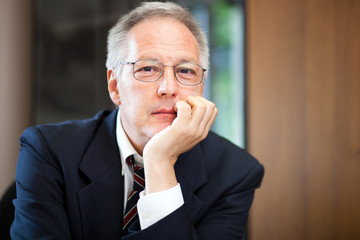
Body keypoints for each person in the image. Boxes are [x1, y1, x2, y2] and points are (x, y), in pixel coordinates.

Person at [11, 2, 264, 239]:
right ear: (115, 87)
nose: (168, 88)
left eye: (185, 71)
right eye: (148, 68)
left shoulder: (235, 172)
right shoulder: (49, 151)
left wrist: (159, 163)